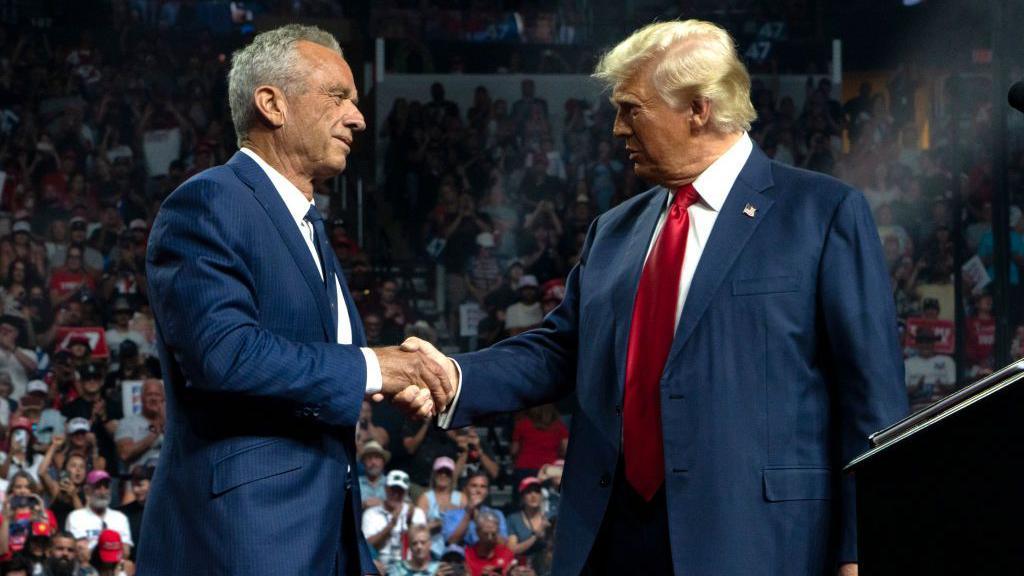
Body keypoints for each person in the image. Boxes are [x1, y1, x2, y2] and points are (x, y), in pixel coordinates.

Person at [411, 19, 907, 576]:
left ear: (698, 108)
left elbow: (873, 401)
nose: (617, 128)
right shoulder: (614, 230)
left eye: (631, 108)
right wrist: (456, 377)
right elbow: (559, 351)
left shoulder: (822, 213)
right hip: (614, 536)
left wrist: (859, 549)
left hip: (759, 541)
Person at [138, 24, 453, 576]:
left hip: (326, 537)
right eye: (338, 97)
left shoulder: (308, 226)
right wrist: (375, 367)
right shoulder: (211, 201)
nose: (357, 116)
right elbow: (226, 356)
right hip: (244, 538)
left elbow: (318, 376)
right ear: (271, 104)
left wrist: (391, 381)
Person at [361, 470, 427, 571]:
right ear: (386, 489)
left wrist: (409, 524)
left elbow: (422, 545)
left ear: (405, 492)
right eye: (393, 489)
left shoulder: (416, 513)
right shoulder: (371, 513)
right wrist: (390, 526)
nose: (396, 494)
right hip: (380, 566)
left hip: (409, 567)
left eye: (400, 491)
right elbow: (367, 547)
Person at [64, 471, 131, 552]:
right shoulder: (76, 517)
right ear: (87, 490)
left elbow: (126, 550)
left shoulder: (121, 518)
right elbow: (80, 550)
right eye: (97, 487)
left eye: (106, 486)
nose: (103, 492)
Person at [415, 456, 464, 559]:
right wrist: (434, 525)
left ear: (452, 476)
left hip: (455, 551)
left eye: (447, 473)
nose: (443, 475)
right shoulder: (425, 498)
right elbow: (417, 530)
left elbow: (466, 525)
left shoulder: (461, 498)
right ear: (434, 474)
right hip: (431, 550)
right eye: (440, 472)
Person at [441, 472, 507, 547]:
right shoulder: (451, 514)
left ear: (487, 492)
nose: (478, 490)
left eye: (483, 487)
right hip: (461, 556)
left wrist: (478, 517)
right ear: (465, 489)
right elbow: (451, 542)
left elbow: (502, 544)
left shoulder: (497, 514)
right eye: (474, 486)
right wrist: (468, 514)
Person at [506, 477, 550, 568]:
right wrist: (535, 536)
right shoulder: (514, 519)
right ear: (522, 497)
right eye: (529, 492)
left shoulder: (550, 517)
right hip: (523, 567)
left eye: (537, 491)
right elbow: (512, 549)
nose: (533, 495)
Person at [463, 510, 515, 576]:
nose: (489, 538)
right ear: (477, 532)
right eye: (485, 534)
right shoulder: (467, 555)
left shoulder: (507, 554)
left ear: (498, 532)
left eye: (493, 534)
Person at [358, 440, 390, 508]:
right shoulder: (355, 483)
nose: (373, 462)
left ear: (383, 462)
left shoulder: (392, 483)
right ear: (363, 462)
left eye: (377, 457)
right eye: (369, 458)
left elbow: (405, 506)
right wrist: (363, 504)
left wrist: (383, 504)